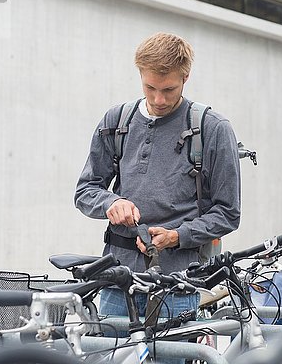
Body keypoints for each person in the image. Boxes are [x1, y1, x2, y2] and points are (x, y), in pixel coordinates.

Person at [74, 32, 241, 320]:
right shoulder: (116, 121)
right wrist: (110, 203)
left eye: (169, 89)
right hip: (117, 282)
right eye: (150, 87)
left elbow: (228, 213)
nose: (158, 99)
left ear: (185, 78)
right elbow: (86, 190)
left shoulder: (213, 129)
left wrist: (178, 236)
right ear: (140, 75)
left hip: (177, 286)